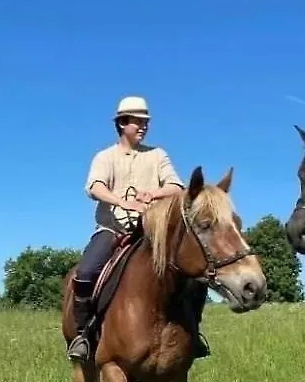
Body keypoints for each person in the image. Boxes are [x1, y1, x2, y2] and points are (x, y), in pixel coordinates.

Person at [66, 95, 210, 362]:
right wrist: (122, 201)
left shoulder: (157, 155)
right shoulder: (106, 157)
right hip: (113, 229)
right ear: (122, 124)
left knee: (196, 274)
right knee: (86, 272)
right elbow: (94, 187)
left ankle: (193, 333)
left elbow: (177, 187)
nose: (143, 126)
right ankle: (83, 335)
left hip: (151, 234)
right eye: (137, 122)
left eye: (145, 122)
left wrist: (152, 194)